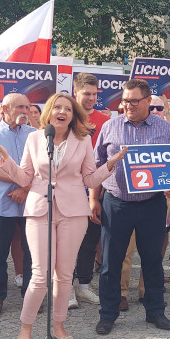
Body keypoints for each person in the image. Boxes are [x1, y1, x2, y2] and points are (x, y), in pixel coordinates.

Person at [0, 93, 125, 339]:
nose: (62, 112)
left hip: (73, 212)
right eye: (57, 107)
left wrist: (110, 165)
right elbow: (25, 178)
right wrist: (6, 159)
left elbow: (89, 180)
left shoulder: (83, 141)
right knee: (40, 275)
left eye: (67, 109)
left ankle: (59, 326)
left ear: (73, 115)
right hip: (40, 209)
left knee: (64, 275)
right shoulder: (34, 138)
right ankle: (25, 328)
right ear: (49, 112)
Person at [93, 79, 170, 335]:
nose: (128, 105)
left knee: (152, 260)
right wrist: (93, 199)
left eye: (134, 100)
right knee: (111, 262)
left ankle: (155, 312)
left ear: (146, 101)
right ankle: (107, 314)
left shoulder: (164, 129)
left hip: (151, 204)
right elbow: (97, 166)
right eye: (125, 100)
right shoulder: (110, 127)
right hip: (116, 203)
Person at [0, 93, 36, 318]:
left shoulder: (34, 134)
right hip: (2, 202)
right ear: (5, 108)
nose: (25, 110)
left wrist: (25, 189)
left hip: (30, 201)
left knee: (31, 252)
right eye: (20, 107)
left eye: (28, 107)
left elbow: (40, 169)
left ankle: (30, 296)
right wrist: (20, 181)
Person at [71, 72, 110, 308]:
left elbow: (105, 158)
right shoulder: (65, 116)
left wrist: (100, 186)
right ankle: (65, 287)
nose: (91, 98)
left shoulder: (105, 120)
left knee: (90, 239)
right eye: (87, 94)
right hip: (68, 188)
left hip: (96, 187)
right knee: (67, 240)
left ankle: (84, 285)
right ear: (76, 92)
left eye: (95, 94)